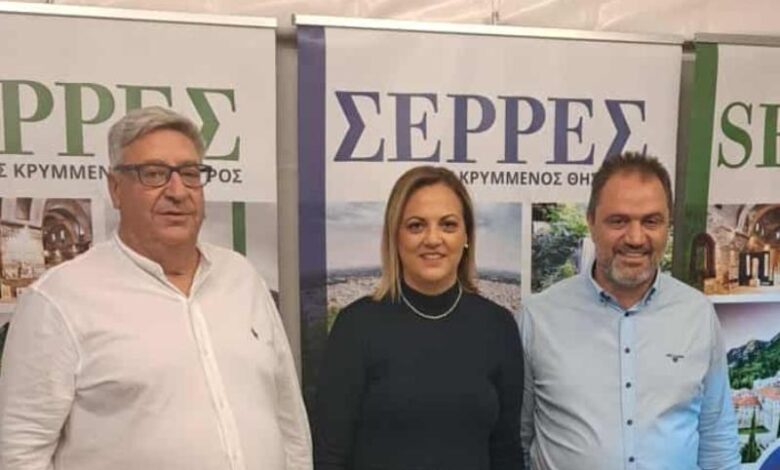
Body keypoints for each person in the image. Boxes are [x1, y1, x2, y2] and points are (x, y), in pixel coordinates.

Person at [0, 107, 312, 470]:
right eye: (153, 174)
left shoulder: (242, 278)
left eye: (190, 173)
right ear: (116, 189)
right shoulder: (59, 299)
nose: (177, 191)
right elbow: (20, 450)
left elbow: (289, 422)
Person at [519, 152, 740, 469]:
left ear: (667, 225)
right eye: (618, 221)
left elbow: (717, 440)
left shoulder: (697, 314)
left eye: (651, 221)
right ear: (591, 222)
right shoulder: (538, 318)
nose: (636, 238)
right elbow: (517, 439)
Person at [314, 165, 524, 470]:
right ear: (395, 237)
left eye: (448, 225)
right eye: (416, 226)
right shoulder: (356, 327)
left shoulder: (498, 327)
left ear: (466, 236)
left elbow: (506, 452)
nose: (433, 239)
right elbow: (330, 455)